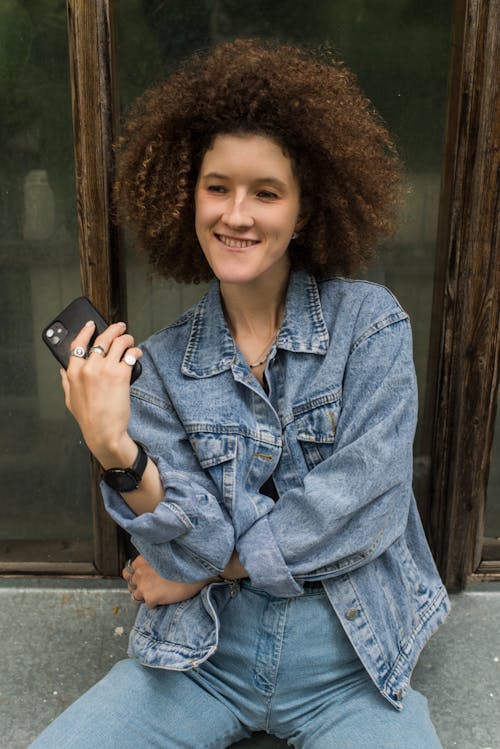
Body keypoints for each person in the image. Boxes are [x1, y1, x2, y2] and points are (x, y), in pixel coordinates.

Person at [30, 39, 450, 749]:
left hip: (349, 666)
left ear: (306, 209)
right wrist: (115, 449)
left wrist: (211, 567)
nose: (237, 214)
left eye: (266, 192)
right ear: (186, 196)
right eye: (217, 186)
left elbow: (366, 503)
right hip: (202, 660)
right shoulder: (160, 368)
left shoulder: (370, 326)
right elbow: (191, 533)